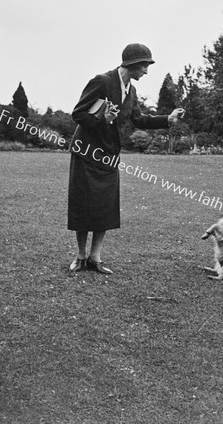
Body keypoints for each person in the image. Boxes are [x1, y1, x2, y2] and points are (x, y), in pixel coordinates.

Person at [68, 43, 184, 275]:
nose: (146, 71)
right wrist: (104, 120)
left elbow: (139, 119)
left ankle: (95, 258)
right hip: (87, 152)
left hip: (109, 155)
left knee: (104, 207)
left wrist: (167, 119)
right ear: (132, 64)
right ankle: (80, 257)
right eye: (144, 66)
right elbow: (78, 114)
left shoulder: (130, 90)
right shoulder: (102, 81)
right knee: (84, 205)